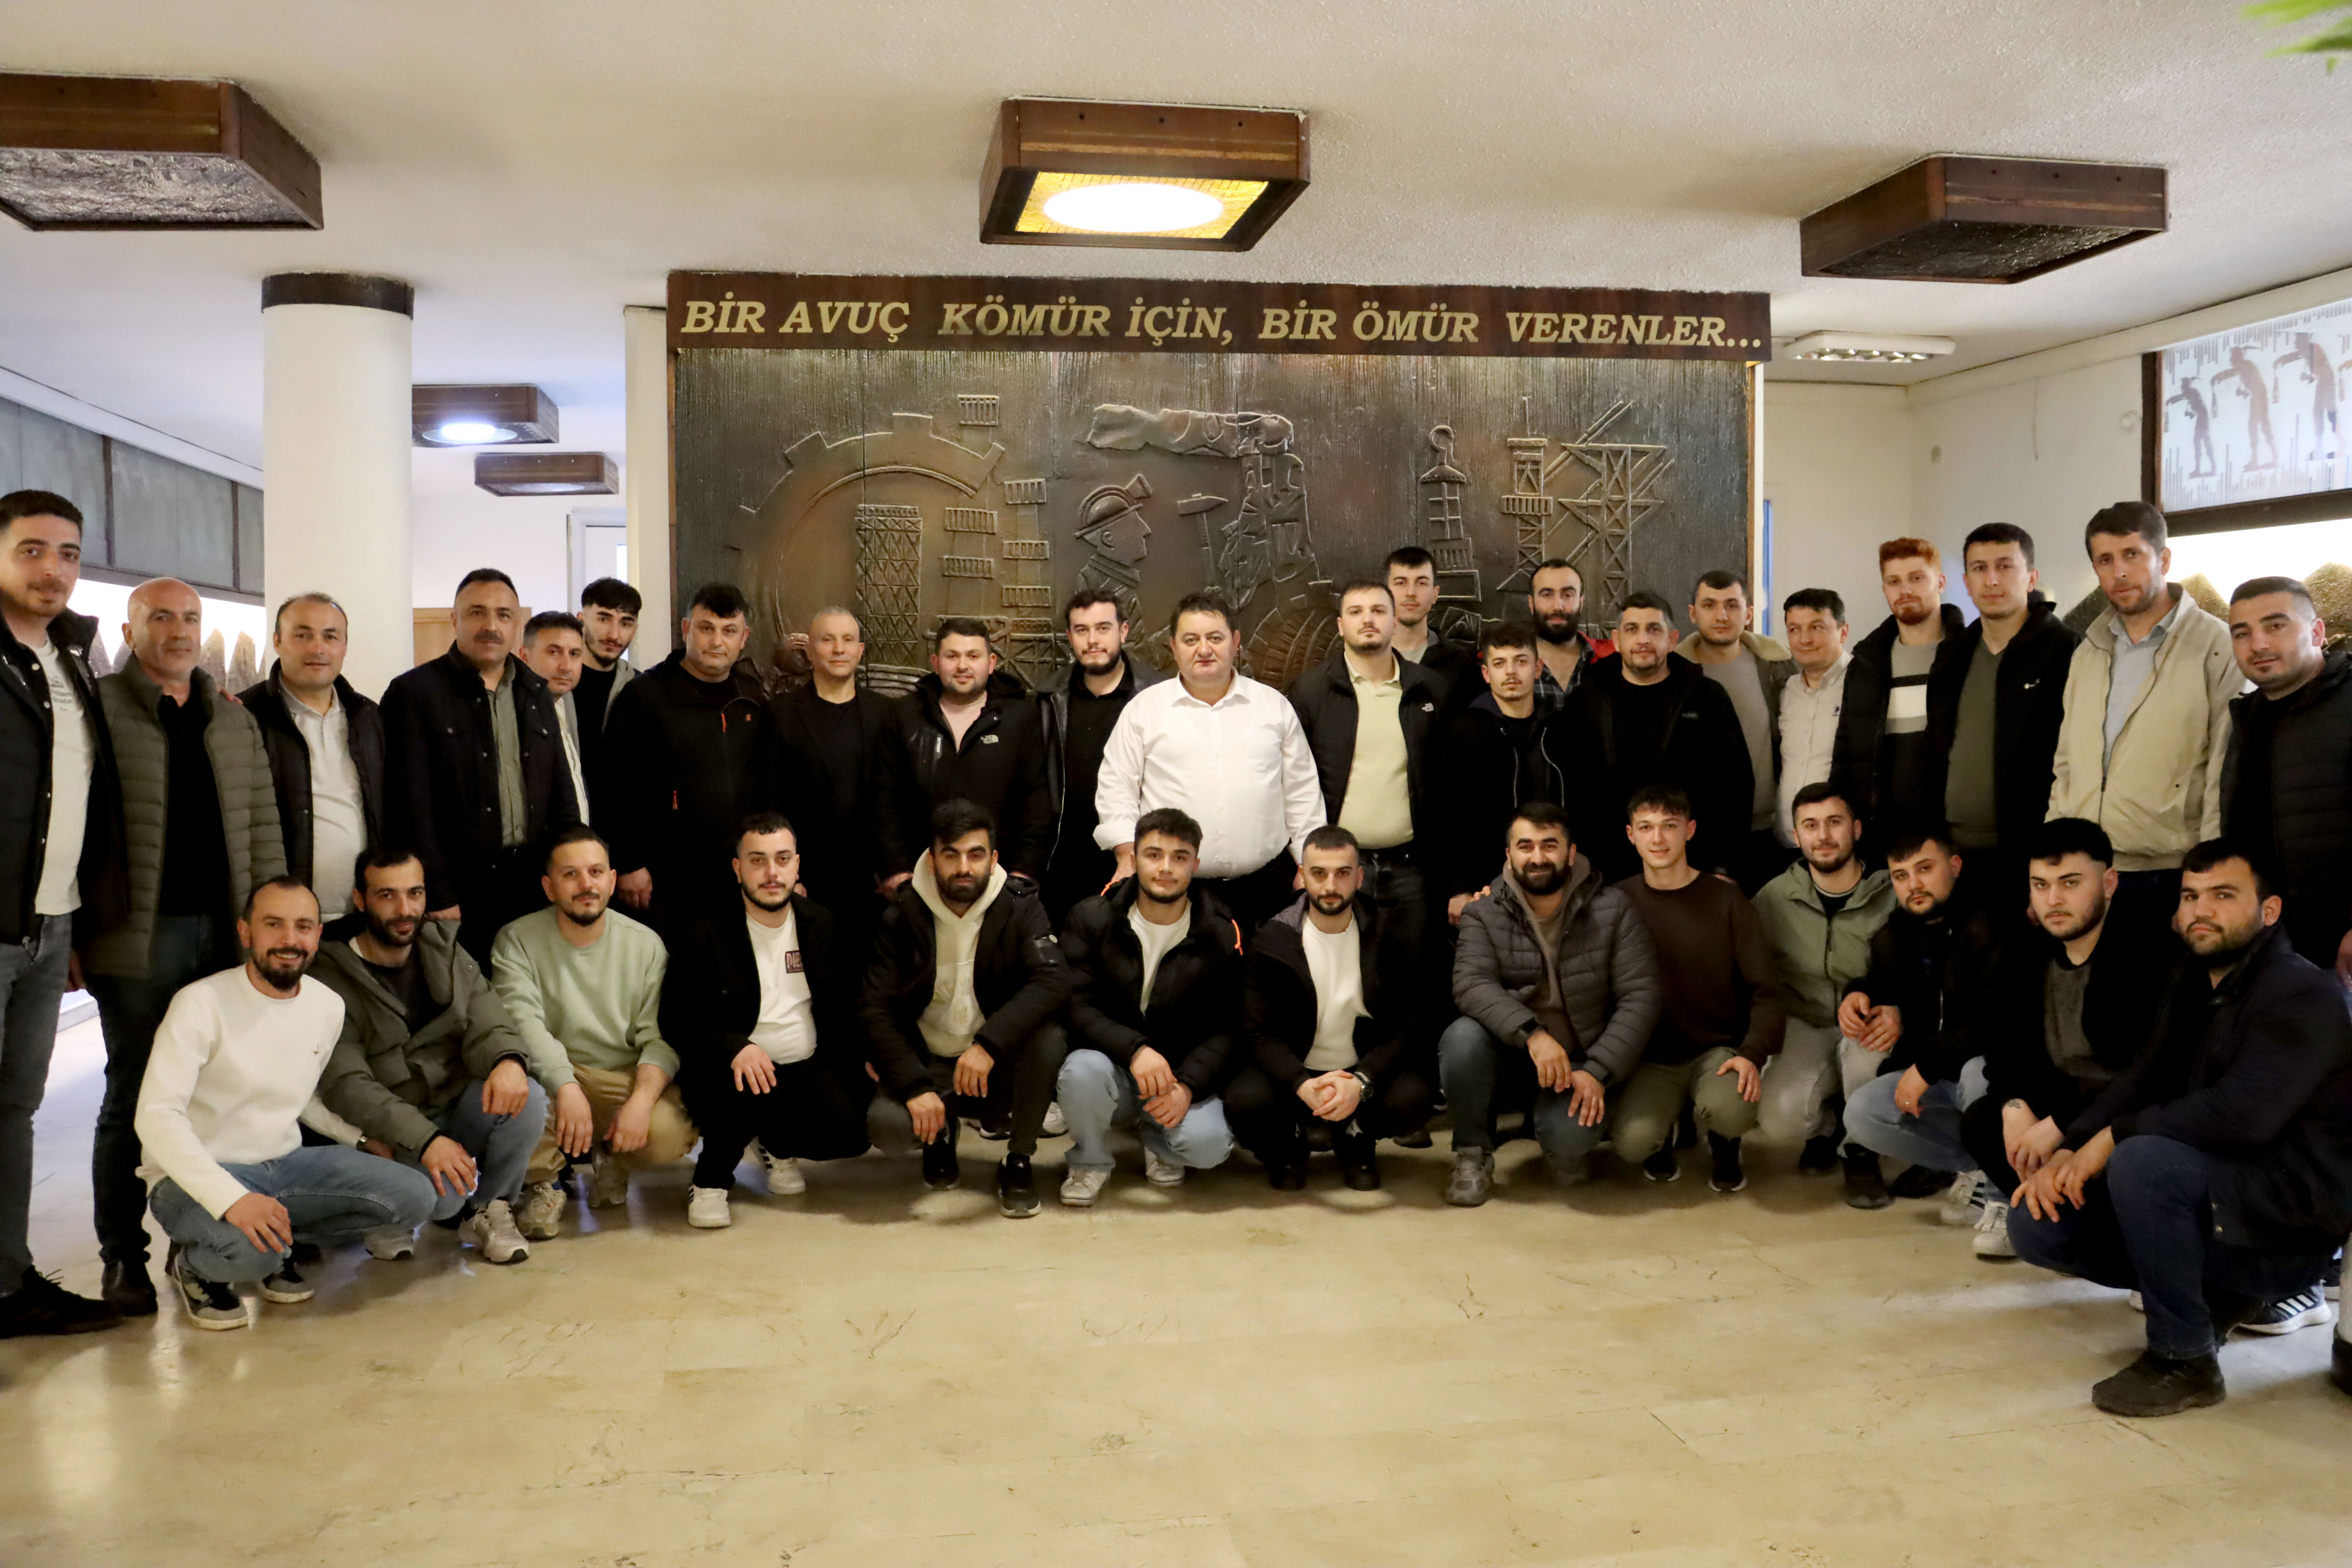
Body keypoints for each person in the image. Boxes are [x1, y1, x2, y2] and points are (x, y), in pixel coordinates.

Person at [2008, 841, 2352, 1418]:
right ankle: (2218, 1298)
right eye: (2191, 896)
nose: (2200, 910)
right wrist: (2069, 1145)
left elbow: (2243, 1115)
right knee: (2039, 1221)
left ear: (2269, 910)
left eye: (2223, 895)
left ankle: (2185, 1358)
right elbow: (2144, 1077)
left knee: (2144, 1160)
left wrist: (2112, 1138)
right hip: (2222, 1194)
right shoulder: (2194, 981)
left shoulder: (2302, 991)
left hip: (2289, 1218)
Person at [87, 576, 285, 1315]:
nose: (178, 631)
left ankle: (199, 1240)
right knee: (136, 1092)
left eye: (190, 618)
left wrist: (267, 923)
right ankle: (122, 1255)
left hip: (225, 931)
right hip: (139, 938)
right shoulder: (99, 708)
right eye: (161, 617)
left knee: (220, 1093)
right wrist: (78, 932)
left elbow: (263, 823)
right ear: (130, 630)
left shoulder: (230, 718)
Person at [1858, 819, 2169, 1261]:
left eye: (2070, 883)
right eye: (2041, 885)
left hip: (2126, 1120)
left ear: (2109, 884)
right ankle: (2057, 1210)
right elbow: (2009, 1041)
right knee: (1986, 1123)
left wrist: (2061, 1126)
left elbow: (2147, 1075)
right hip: (2065, 1108)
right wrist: (2014, 1105)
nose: (2053, 900)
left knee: (2118, 1172)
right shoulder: (2033, 951)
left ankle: (2137, 1249)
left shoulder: (2146, 957)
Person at [135, 877, 436, 1331]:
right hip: (191, 1176)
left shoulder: (327, 1006)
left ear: (318, 935)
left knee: (415, 1196)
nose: (289, 940)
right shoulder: (199, 1004)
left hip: (284, 1166)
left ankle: (275, 1240)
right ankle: (198, 1266)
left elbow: (303, 1097)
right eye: (273, 924)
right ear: (246, 932)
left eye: (303, 926)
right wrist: (233, 1200)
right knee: (253, 1254)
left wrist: (356, 1139)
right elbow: (156, 1116)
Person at [0, 490, 123, 1338]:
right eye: (33, 550)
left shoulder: (72, 659)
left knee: (15, 1108)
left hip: (50, 922)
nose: (54, 569)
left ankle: (8, 1282)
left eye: (69, 554)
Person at [311, 846, 547, 1265]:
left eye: (415, 894)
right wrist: (426, 1141)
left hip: (454, 1108)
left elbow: (490, 1021)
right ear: (360, 900)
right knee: (442, 1198)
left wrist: (507, 1061)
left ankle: (489, 1209)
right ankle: (392, 1214)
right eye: (387, 896)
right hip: (391, 1131)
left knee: (527, 1097)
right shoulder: (332, 976)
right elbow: (348, 1085)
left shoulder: (446, 948)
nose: (405, 910)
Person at [862, 800, 1073, 1218]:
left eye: (976, 855)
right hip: (930, 1061)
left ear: (993, 859)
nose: (964, 868)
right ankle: (939, 1135)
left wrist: (989, 1044)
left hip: (994, 1063)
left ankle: (1018, 1159)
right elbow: (874, 1008)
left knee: (1050, 1038)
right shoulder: (901, 916)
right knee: (888, 1127)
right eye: (951, 855)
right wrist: (914, 1086)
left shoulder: (1021, 906)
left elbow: (1054, 980)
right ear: (932, 860)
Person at [662, 814, 872, 1228]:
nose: (772, 873)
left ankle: (774, 1143)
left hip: (804, 1065)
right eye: (758, 861)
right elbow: (676, 1016)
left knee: (852, 1132)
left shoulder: (822, 923)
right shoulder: (706, 931)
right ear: (738, 868)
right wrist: (734, 1047)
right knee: (750, 1090)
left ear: (797, 866)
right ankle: (710, 1180)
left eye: (782, 859)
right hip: (731, 1072)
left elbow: (846, 1006)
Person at [491, 827, 694, 1235]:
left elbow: (660, 1037)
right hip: (554, 1077)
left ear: (613, 881)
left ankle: (614, 1158)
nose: (587, 885)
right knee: (511, 1090)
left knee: (668, 1133)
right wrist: (566, 1086)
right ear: (549, 887)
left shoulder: (646, 944)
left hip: (623, 1075)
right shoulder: (516, 941)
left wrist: (641, 1101)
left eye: (596, 872)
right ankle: (543, 1184)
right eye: (571, 875)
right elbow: (523, 1026)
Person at [381, 567, 581, 965]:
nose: (491, 626)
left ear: (516, 624)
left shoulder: (536, 692)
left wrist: (570, 872)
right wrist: (437, 890)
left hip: (531, 884)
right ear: (454, 619)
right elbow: (409, 805)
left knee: (527, 989)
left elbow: (561, 794)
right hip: (457, 890)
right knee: (463, 995)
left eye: (503, 615)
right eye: (477, 613)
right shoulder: (415, 693)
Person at [1095, 593, 1323, 940]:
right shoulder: (1145, 711)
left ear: (1235, 642)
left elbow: (1302, 791)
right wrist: (1127, 853)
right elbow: (1116, 787)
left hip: (1268, 890)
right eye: (1191, 640)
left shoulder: (1273, 707)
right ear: (1174, 647)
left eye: (1215, 638)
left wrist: (1310, 863)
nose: (1204, 649)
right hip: (1176, 891)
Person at [1228, 826, 1437, 1191]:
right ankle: (1291, 1143)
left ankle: (1356, 1136)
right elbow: (1257, 1031)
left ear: (1360, 877)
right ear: (1302, 876)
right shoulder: (1273, 938)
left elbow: (1406, 1027)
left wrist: (1362, 1082)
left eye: (1343, 873)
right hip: (1296, 1073)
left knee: (1415, 1098)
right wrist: (1300, 1083)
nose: (1330, 886)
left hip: (1359, 1072)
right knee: (1244, 1101)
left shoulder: (1389, 934)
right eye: (1319, 873)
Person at [2049, 503, 2239, 901]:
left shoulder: (2217, 646)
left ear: (2164, 559)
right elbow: (2065, 765)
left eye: (2132, 554)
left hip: (2172, 873)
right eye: (2106, 560)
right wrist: (2052, 863)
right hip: (2086, 869)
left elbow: (2224, 771)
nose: (2119, 571)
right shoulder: (2088, 652)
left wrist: (2211, 876)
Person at [1055, 807, 1242, 1204]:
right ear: (1134, 858)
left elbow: (1229, 1027)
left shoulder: (1220, 933)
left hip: (1178, 1076)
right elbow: (1074, 1004)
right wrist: (1136, 1050)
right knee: (1080, 1071)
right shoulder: (1093, 917)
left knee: (1209, 1148)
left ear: (1196, 865)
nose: (1166, 868)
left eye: (1180, 857)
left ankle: (1156, 1139)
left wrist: (1188, 1087)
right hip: (1113, 1067)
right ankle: (1090, 1161)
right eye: (1154, 855)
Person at [1610, 786, 1784, 1195]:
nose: (1658, 839)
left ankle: (1725, 1141)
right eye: (1646, 828)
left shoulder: (1727, 900)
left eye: (1669, 827)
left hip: (1718, 1050)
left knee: (1730, 1111)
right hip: (1651, 1057)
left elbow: (1768, 991)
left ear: (1689, 830)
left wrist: (1752, 1054)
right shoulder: (1615, 902)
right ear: (1631, 835)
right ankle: (1666, 1129)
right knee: (1632, 1143)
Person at [1835, 827, 2004, 1224]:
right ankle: (1978, 1169)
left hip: (1991, 1068)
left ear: (1955, 866)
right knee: (1861, 1113)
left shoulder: (1991, 924)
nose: (1914, 885)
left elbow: (1992, 1019)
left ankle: (2003, 1198)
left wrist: (1925, 1069)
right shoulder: (1896, 934)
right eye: (1901, 875)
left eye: (1925, 869)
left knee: (1979, 1075)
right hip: (1934, 1073)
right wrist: (1858, 994)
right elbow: (1881, 983)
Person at [1751, 783, 1896, 1202]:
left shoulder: (1890, 892)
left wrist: (1896, 1008)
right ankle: (1830, 1126)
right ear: (1796, 836)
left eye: (1834, 822)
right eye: (1811, 826)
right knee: (1779, 1120)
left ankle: (1861, 1151)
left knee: (1867, 1062)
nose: (1824, 836)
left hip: (1869, 1023)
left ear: (1856, 829)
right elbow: (1752, 973)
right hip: (1805, 1021)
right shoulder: (1774, 898)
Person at [1289, 580, 1444, 967]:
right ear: (1341, 626)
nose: (1368, 620)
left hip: (1411, 870)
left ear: (1394, 621)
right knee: (1341, 975)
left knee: (1413, 979)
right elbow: (1292, 783)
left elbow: (1449, 785)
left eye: (1378, 611)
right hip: (1338, 870)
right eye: (1356, 612)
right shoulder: (1310, 690)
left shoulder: (1429, 688)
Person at [599, 582, 768, 927]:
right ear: (687, 628)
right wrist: (629, 863)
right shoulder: (644, 696)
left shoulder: (752, 696)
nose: (717, 641)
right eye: (707, 628)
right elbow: (618, 784)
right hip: (667, 876)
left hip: (737, 872)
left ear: (744, 638)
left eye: (729, 631)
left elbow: (766, 778)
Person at [1555, 593, 1751, 884]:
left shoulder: (1707, 697)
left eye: (1654, 629)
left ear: (1672, 640)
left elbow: (1736, 786)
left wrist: (1722, 865)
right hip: (1604, 869)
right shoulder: (1585, 700)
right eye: (1632, 629)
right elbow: (1568, 787)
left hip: (1692, 866)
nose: (1643, 639)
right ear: (1617, 641)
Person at [1929, 524, 2079, 902]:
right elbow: (1938, 747)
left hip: (2032, 854)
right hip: (1955, 853)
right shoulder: (1952, 654)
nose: (1992, 580)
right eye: (1980, 569)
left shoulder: (2066, 650)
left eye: (2005, 566)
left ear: (2032, 578)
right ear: (1966, 582)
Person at [2220, 575, 2352, 980]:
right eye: (2242, 633)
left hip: (2339, 951)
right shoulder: (2247, 717)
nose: (2258, 644)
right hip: (2266, 946)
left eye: (2275, 626)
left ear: (2316, 633)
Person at [762, 607, 901, 962]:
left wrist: (892, 867)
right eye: (828, 640)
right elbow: (771, 799)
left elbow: (895, 798)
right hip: (807, 881)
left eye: (848, 640)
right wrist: (788, 873)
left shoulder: (886, 713)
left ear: (860, 650)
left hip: (872, 886)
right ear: (810, 651)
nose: (839, 649)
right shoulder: (781, 714)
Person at [240, 591, 383, 919]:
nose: (318, 648)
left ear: (344, 646)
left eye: (330, 637)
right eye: (303, 635)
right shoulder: (243, 717)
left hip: (363, 915)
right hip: (281, 917)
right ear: (278, 641)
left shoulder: (370, 718)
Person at [881, 618, 1053, 884]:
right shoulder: (904, 716)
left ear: (991, 663)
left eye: (973, 656)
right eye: (952, 656)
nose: (962, 666)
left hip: (1001, 883)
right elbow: (885, 800)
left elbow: (1036, 803)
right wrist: (897, 872)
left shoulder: (1021, 719)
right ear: (936, 663)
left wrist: (1022, 876)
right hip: (919, 883)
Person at [1039, 591, 1165, 924]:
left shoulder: (1157, 696)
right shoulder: (1048, 699)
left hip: (1136, 862)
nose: (1093, 640)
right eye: (1082, 630)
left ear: (1123, 632)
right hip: (1064, 865)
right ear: (1070, 637)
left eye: (1103, 628)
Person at [1432, 623, 1568, 928]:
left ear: (1538, 668)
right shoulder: (1460, 732)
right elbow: (1446, 816)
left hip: (1554, 878)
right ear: (1486, 673)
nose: (1511, 672)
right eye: (1500, 663)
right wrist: (1458, 887)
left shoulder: (1562, 729)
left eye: (1521, 661)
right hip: (1484, 884)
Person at [1832, 539, 1966, 846]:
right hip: (1881, 836)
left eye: (1917, 578)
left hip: (1952, 834)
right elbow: (1846, 753)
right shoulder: (1866, 665)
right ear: (1885, 590)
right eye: (1894, 582)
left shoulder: (1967, 655)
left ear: (1941, 583)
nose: (1904, 590)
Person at [1676, 569, 1797, 891]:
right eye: (1710, 605)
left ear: (1749, 614)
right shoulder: (1675, 673)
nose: (1722, 615)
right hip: (1699, 835)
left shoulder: (1777, 666)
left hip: (1772, 832)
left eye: (1732, 605)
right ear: (1693, 613)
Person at [1776, 588, 1850, 855]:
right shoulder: (1787, 691)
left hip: (1839, 846)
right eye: (1794, 630)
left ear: (1843, 632)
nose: (1804, 639)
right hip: (1786, 841)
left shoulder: (1863, 686)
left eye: (1816, 627)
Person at [518, 611, 593, 824]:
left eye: (575, 654)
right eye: (554, 652)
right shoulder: (517, 715)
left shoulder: (566, 705)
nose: (566, 666)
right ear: (524, 657)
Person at [1385, 546, 1477, 713]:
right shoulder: (1364, 659)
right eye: (1401, 583)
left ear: (1435, 594)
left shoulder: (1461, 665)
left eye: (1421, 583)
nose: (1411, 593)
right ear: (1385, 593)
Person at [571, 576, 641, 785]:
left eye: (625, 623)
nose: (614, 635)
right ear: (581, 620)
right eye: (603, 619)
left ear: (635, 630)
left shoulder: (641, 689)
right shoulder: (555, 684)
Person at [1527, 558, 1611, 709]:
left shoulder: (1613, 661)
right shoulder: (1502, 665)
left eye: (1567, 595)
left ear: (1581, 603)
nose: (1558, 606)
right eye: (1547, 595)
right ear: (1531, 603)